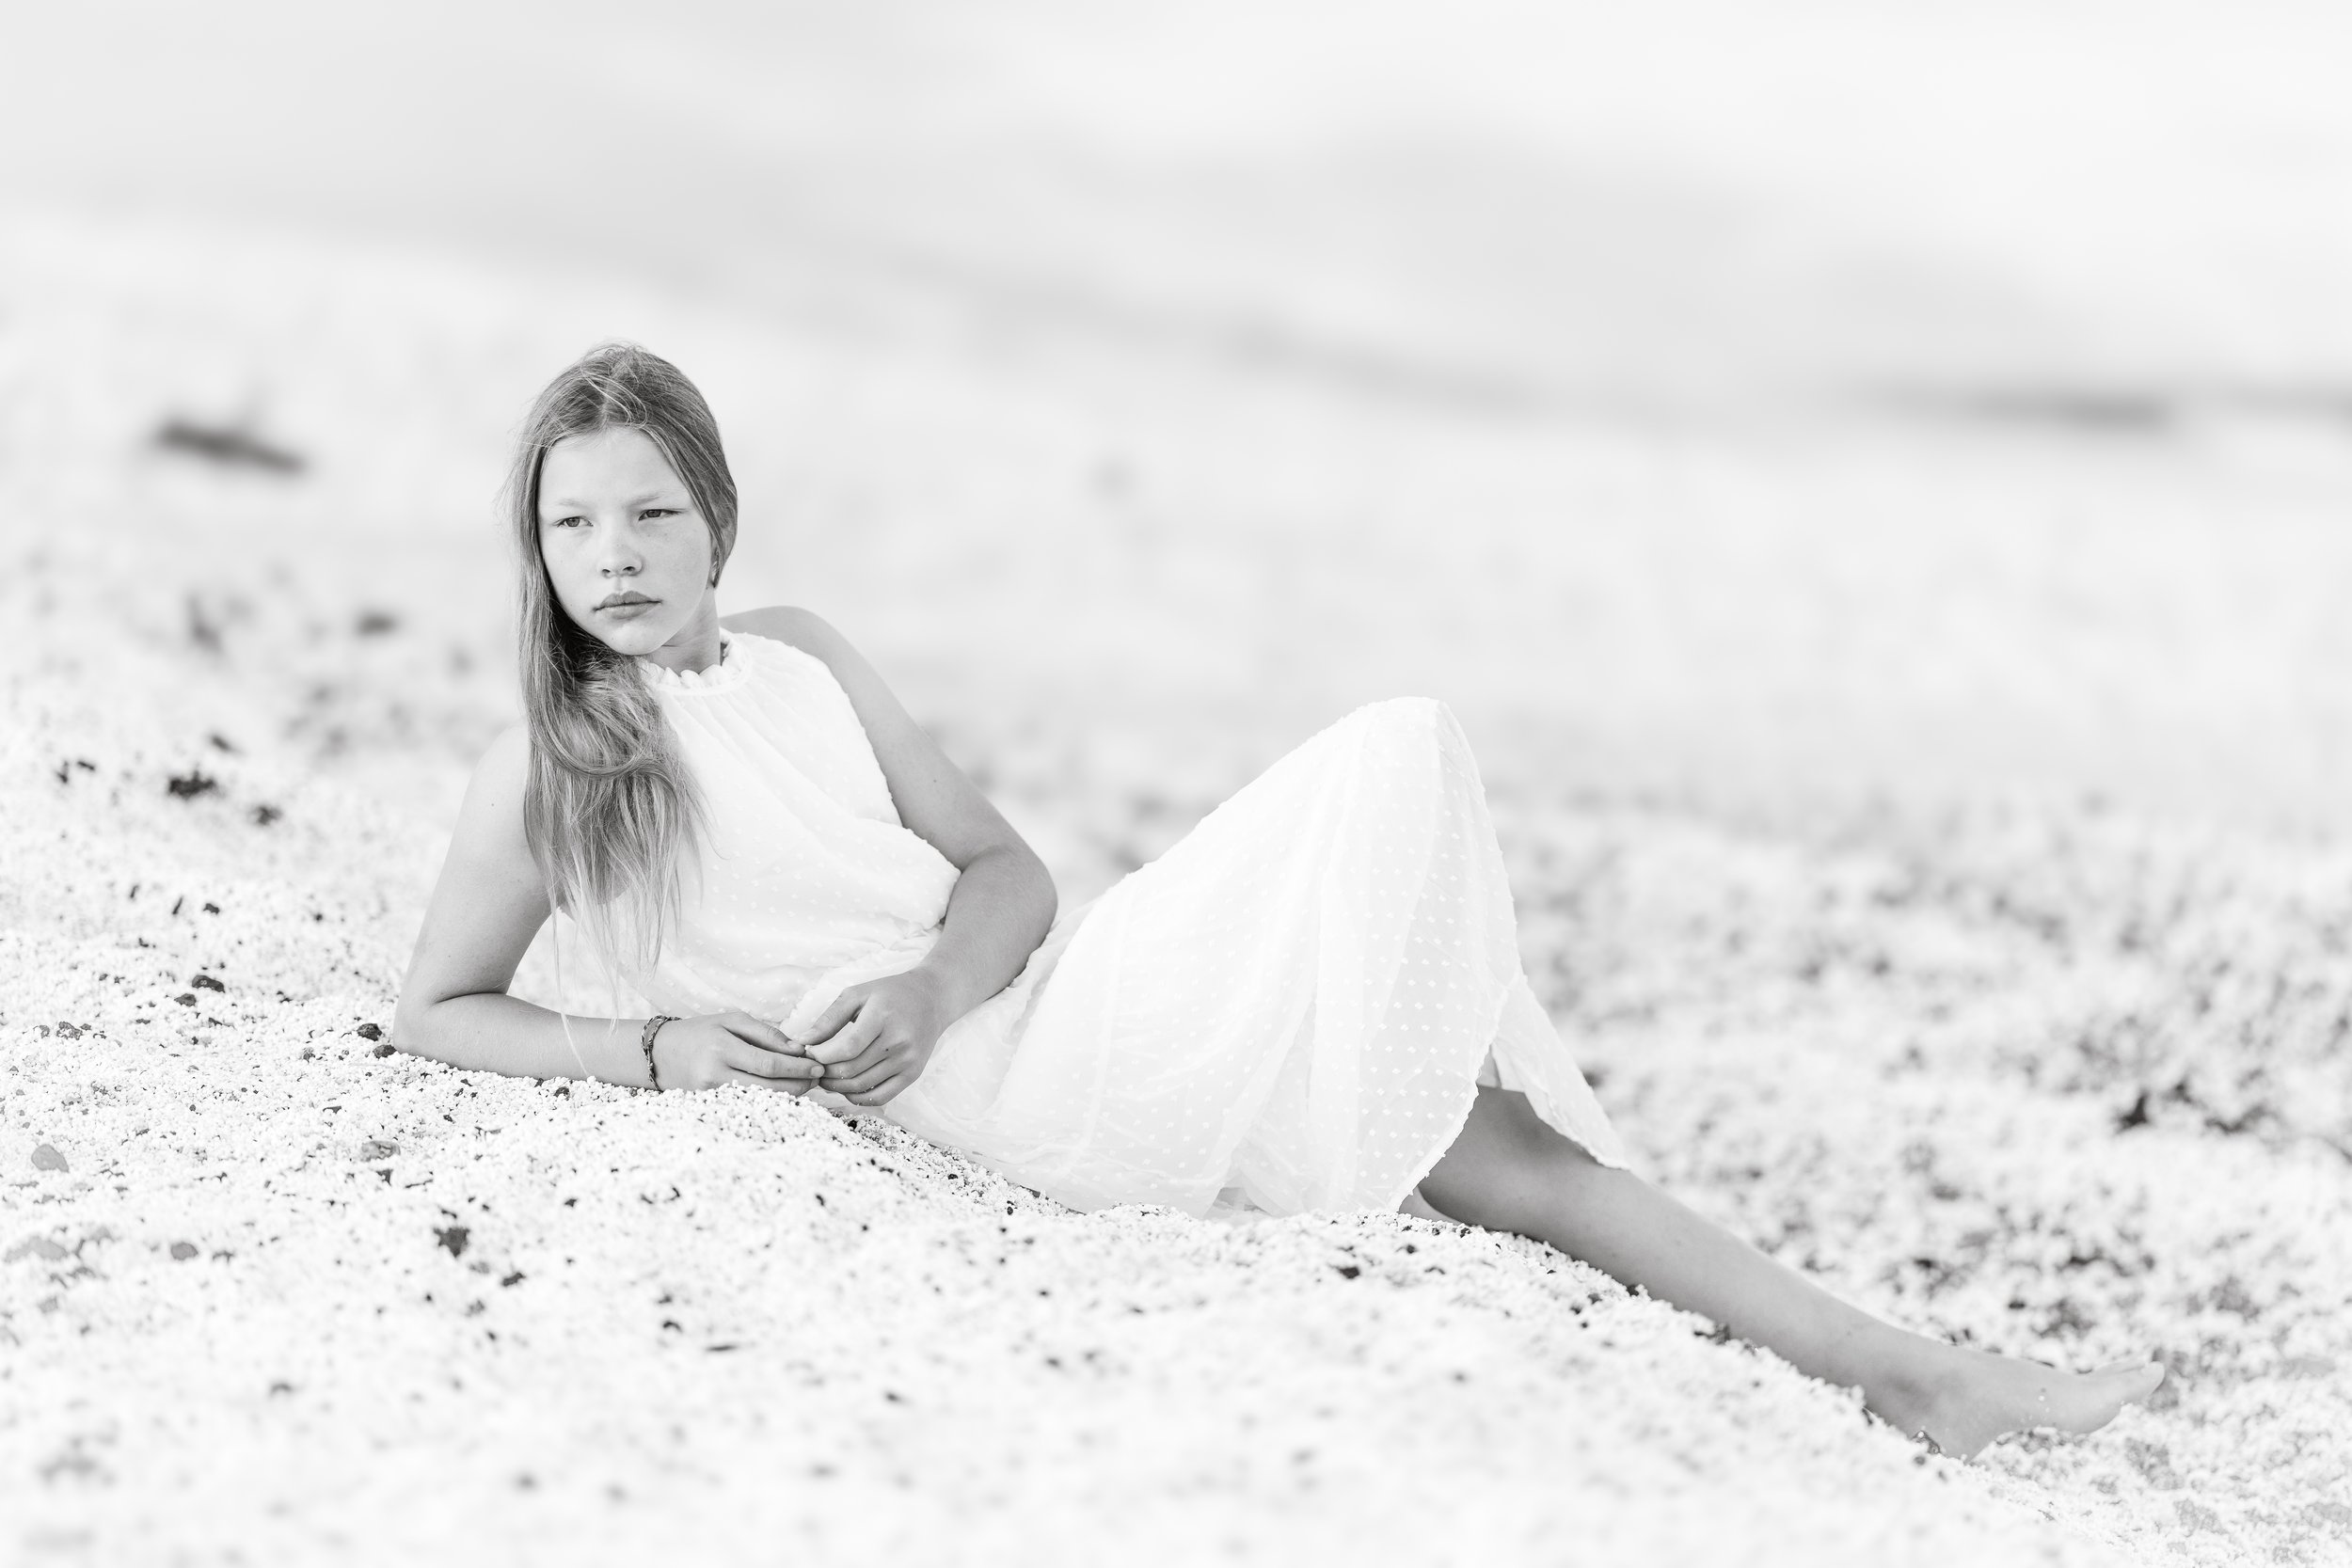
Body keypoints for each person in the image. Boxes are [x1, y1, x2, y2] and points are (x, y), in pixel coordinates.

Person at [394, 342, 2164, 1461]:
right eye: (570, 527)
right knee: (1460, 1075)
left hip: (1043, 1008)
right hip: (1012, 1110)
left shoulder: (801, 659)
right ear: (535, 555)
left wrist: (936, 984)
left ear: (718, 526)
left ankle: (1907, 1371)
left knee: (1490, 1108)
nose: (610, 557)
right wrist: (658, 1053)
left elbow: (1011, 871)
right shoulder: (542, 770)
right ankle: (1912, 1377)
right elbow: (438, 1011)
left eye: (647, 515)